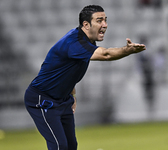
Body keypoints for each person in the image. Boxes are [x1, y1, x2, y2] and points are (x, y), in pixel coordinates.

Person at [24, 5, 146, 150]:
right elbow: (105, 54)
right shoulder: (74, 43)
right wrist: (127, 50)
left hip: (63, 99)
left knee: (71, 145)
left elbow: (66, 72)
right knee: (59, 145)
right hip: (42, 99)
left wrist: (72, 94)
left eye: (105, 20)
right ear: (86, 25)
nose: (105, 25)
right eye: (99, 20)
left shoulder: (85, 41)